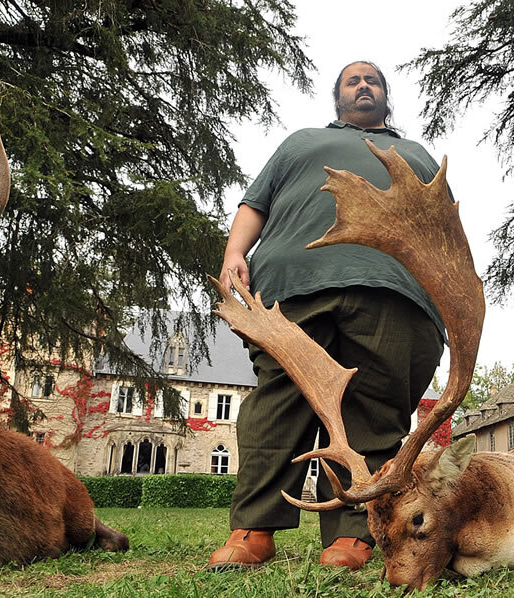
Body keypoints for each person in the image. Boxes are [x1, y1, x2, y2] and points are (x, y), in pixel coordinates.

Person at [207, 61, 446, 571]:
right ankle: (253, 528)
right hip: (293, 283)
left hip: (392, 288)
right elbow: (256, 203)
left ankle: (355, 534)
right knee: (280, 397)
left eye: (373, 80)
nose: (364, 85)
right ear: (337, 97)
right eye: (353, 80)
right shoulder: (300, 143)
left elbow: (445, 232)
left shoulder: (418, 155)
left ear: (386, 96)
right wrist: (233, 253)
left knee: (375, 406)